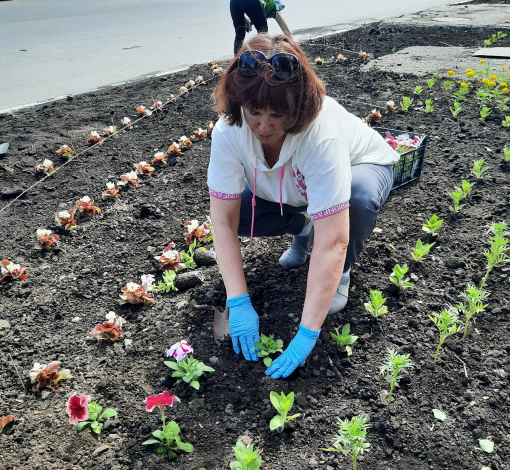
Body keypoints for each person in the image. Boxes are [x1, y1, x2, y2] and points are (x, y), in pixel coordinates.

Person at [208, 34, 399, 379]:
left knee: (357, 199)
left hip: (362, 166)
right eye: (254, 112)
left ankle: (341, 274)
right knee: (241, 214)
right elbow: (222, 221)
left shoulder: (320, 136)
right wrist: (237, 300)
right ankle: (303, 226)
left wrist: (307, 334)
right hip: (294, 184)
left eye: (277, 115)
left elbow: (334, 241)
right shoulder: (228, 131)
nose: (264, 126)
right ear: (239, 103)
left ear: (297, 109)